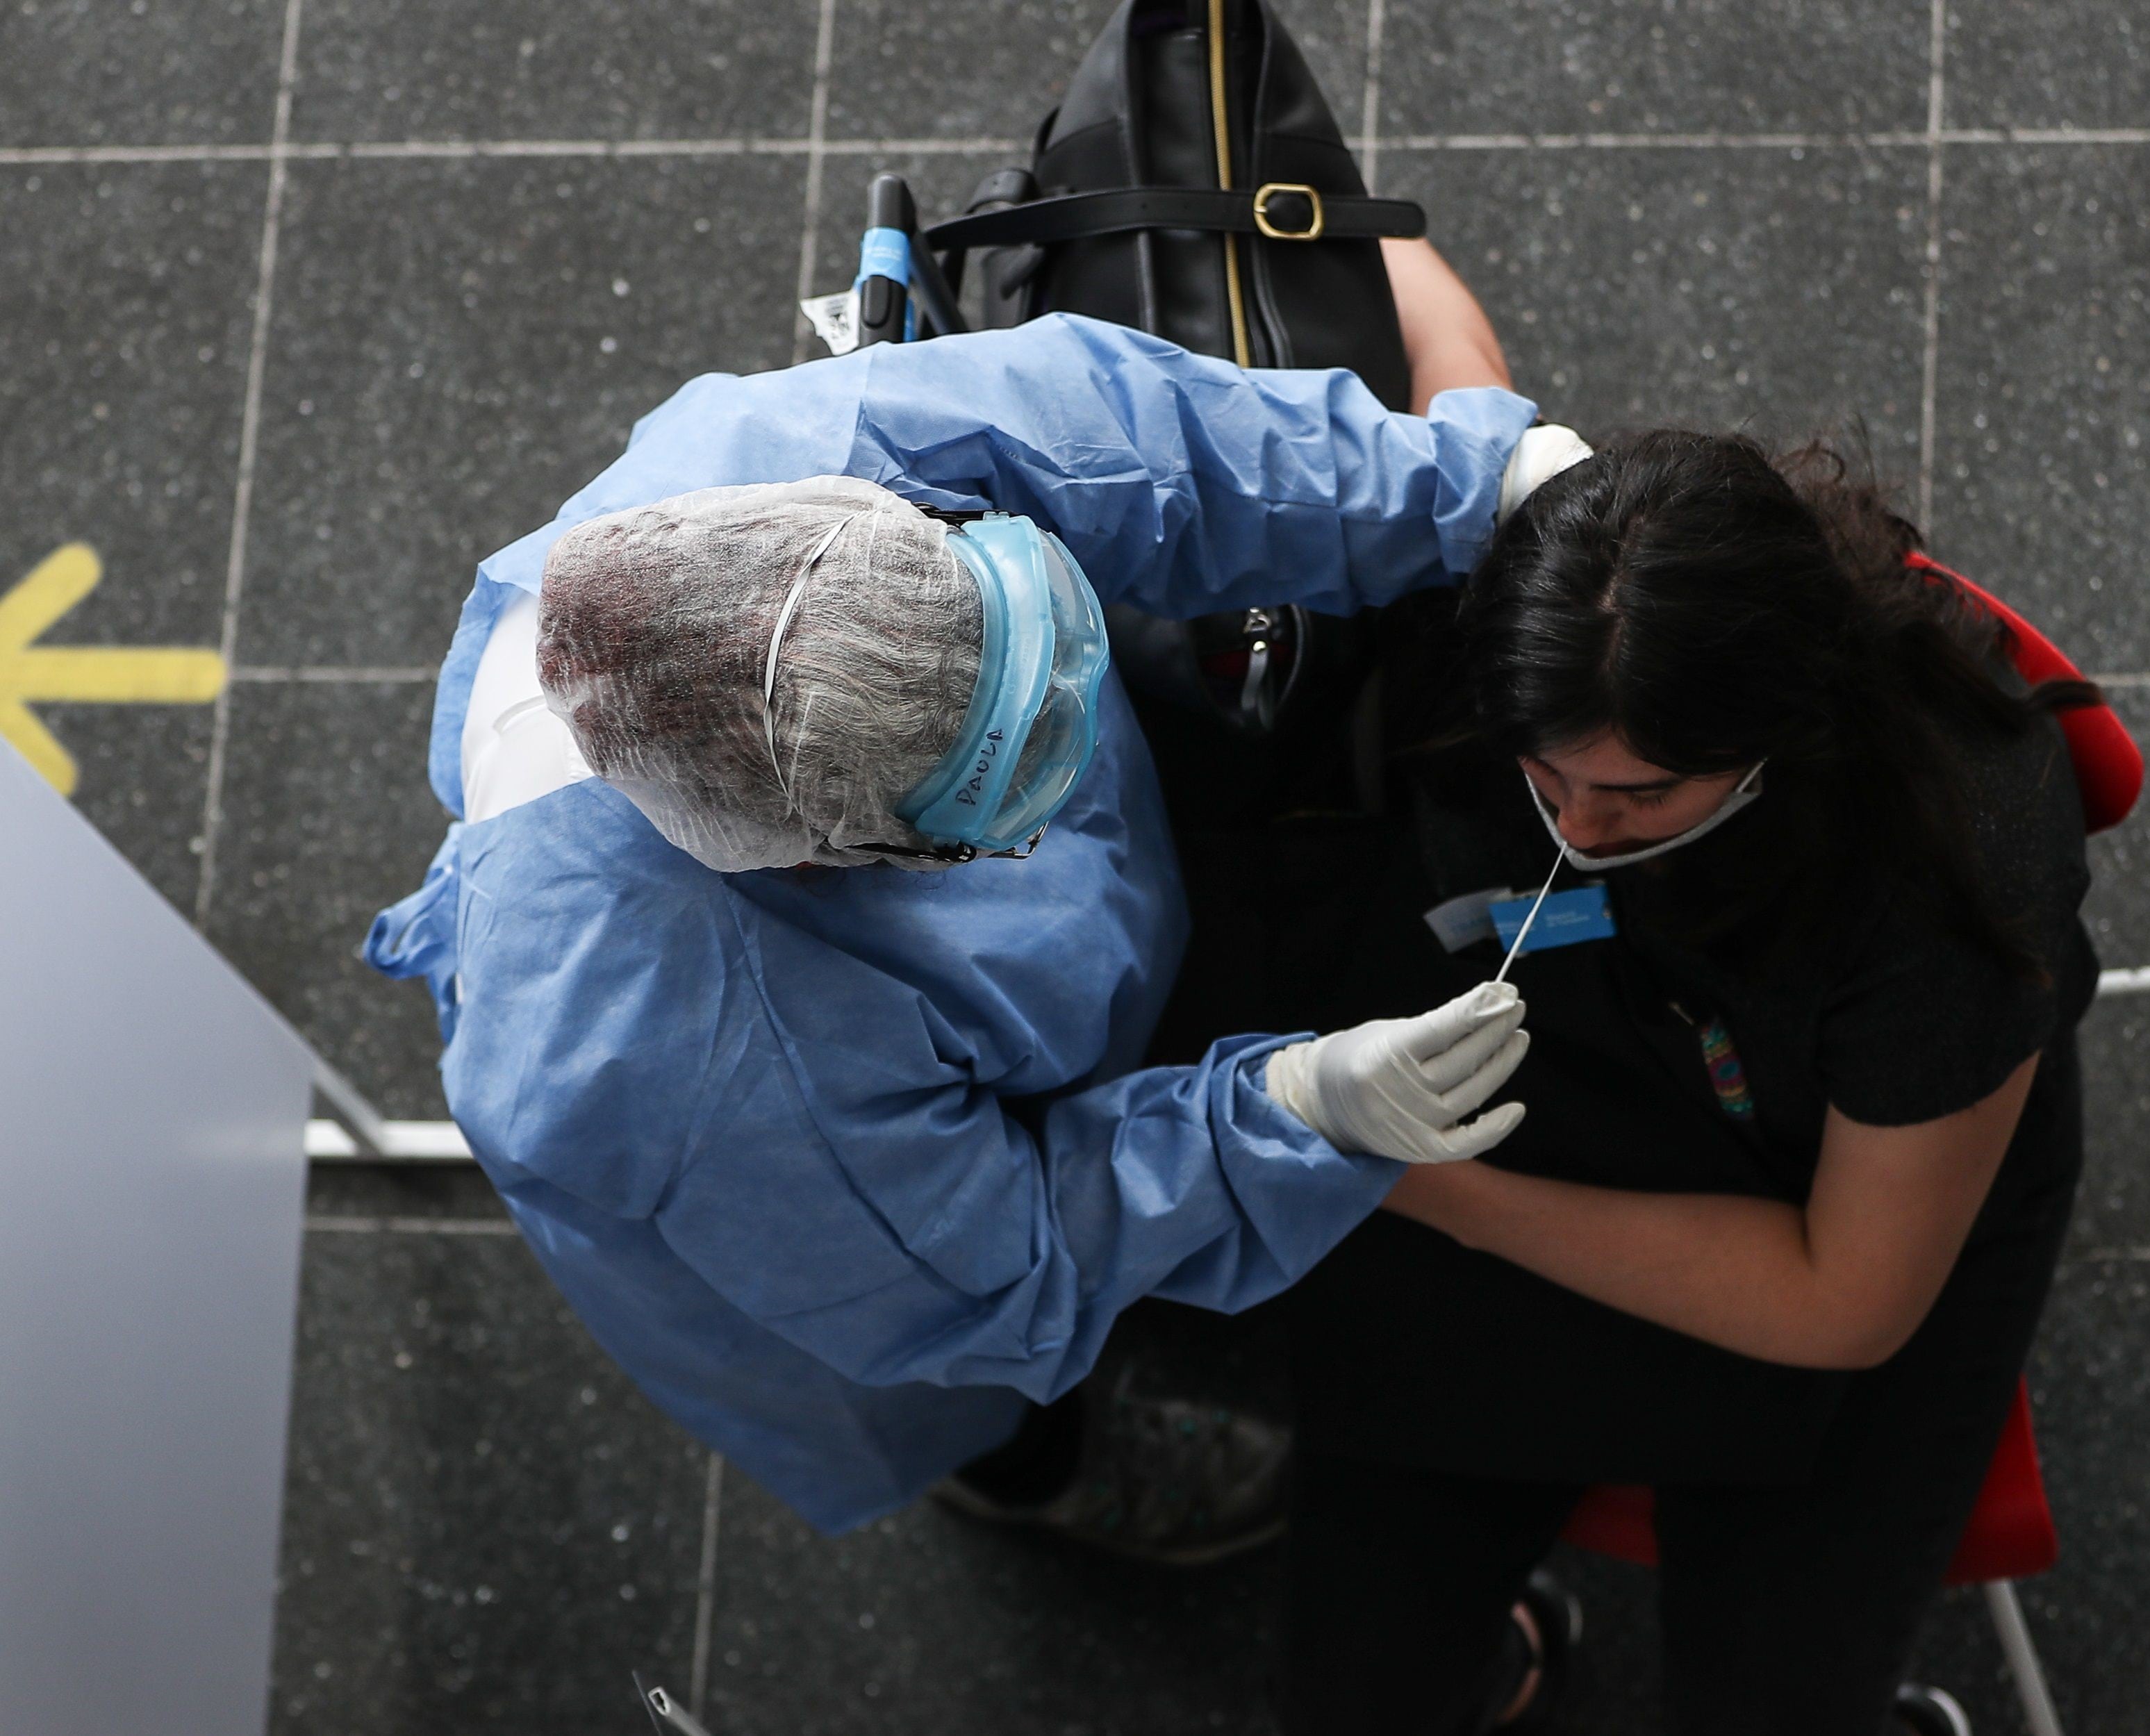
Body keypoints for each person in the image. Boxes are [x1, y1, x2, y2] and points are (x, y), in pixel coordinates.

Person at [363, 313, 1546, 1548]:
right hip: (838, 1248)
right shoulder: (691, 1065)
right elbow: (996, 1254)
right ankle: (1036, 1471)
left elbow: (1127, 441)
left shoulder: (786, 461)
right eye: (1002, 794)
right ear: (820, 861)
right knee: (952, 1383)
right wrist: (1289, 1119)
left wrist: (1476, 488)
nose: (1074, 750)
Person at [1273, 267, 2100, 1736]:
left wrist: (1432, 1188)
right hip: (1566, 1096)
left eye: (1639, 794)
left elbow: (1841, 1297)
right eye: (1544, 779)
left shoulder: (1951, 856)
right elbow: (1402, 288)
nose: (1575, 831)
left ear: (1781, 723)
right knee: (1350, 1692)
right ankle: (1500, 1661)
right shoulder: (1506, 616)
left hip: (1837, 1203)